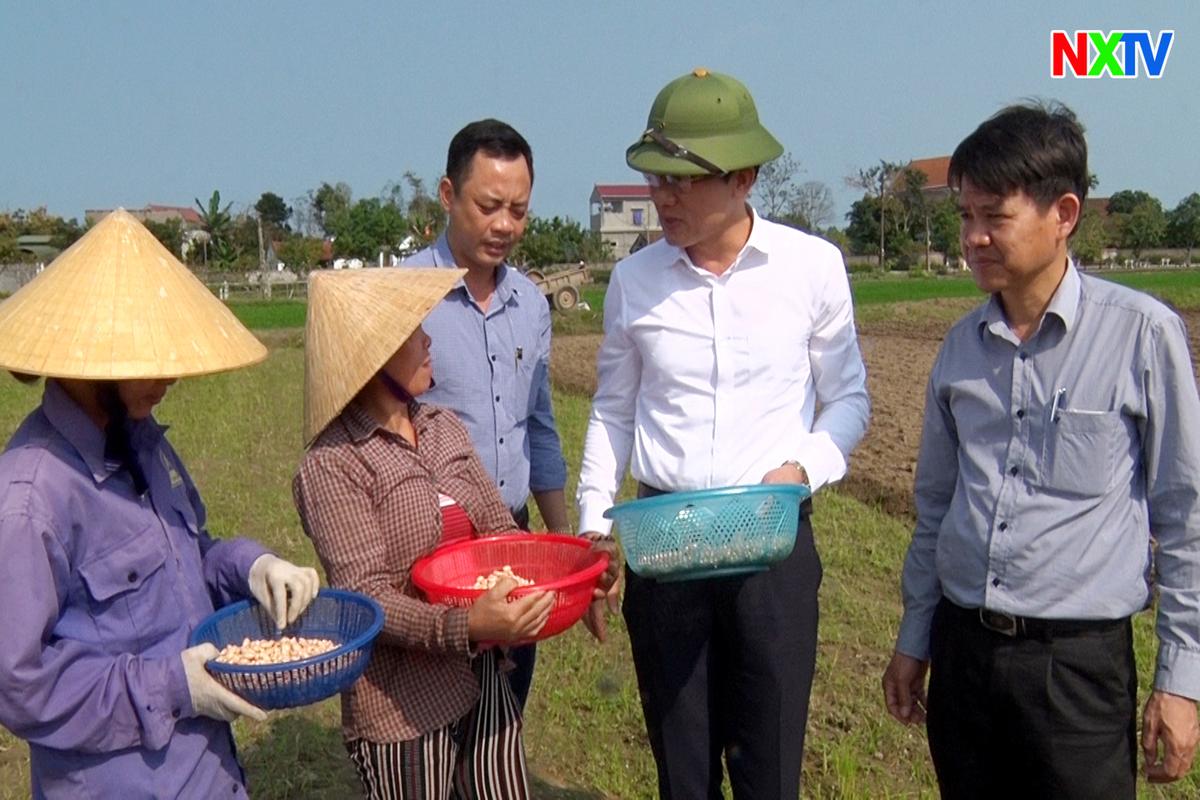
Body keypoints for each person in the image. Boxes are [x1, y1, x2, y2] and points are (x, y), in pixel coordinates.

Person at [881, 102, 1200, 798]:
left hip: (1076, 672)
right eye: (965, 217)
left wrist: (1182, 681)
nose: (973, 238)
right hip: (966, 655)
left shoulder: (1141, 336)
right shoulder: (961, 349)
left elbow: (1185, 517)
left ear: (1064, 214)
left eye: (993, 217)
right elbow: (935, 507)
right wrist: (916, 637)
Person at [576, 68, 870, 799]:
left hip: (771, 544)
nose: (662, 197)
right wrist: (593, 526)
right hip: (665, 546)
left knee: (769, 766)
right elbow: (614, 410)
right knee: (683, 769)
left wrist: (802, 466)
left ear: (743, 177)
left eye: (682, 180)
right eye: (655, 179)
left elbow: (849, 402)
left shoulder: (811, 268)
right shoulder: (635, 282)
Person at [0, 209, 319, 799]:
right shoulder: (30, 499)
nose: (169, 377)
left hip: (208, 773)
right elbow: (20, 685)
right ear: (92, 361)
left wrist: (250, 565)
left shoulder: (140, 442)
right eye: (151, 358)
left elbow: (186, 557)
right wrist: (173, 686)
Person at [294, 268, 612, 799]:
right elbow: (367, 597)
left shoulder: (442, 426)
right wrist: (464, 624)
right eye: (413, 334)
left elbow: (502, 535)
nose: (429, 340)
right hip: (402, 704)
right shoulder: (333, 465)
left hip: (482, 676)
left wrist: (579, 569)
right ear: (372, 359)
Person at [401, 118, 570, 707]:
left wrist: (561, 541)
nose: (504, 225)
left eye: (518, 211)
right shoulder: (401, 297)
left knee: (505, 708)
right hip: (431, 547)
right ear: (448, 196)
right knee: (436, 718)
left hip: (514, 538)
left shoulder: (529, 303)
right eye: (489, 205)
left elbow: (539, 428)